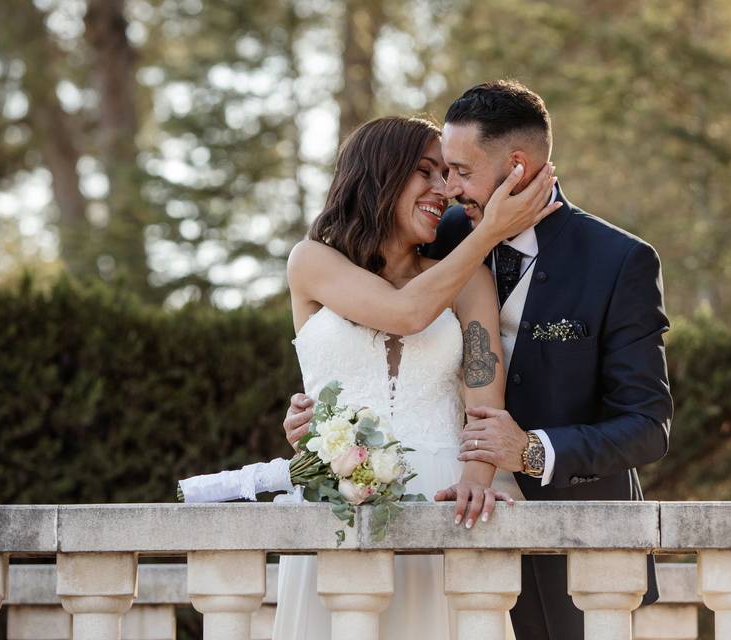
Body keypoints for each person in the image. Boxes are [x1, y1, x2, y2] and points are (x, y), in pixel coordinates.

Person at [284, 81, 673, 640]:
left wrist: (531, 452)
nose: (447, 187)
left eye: (459, 171)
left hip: (570, 534)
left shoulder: (618, 261)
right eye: (438, 171)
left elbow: (648, 424)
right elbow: (380, 326)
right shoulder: (442, 233)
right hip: (415, 509)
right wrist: (317, 425)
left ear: (516, 166)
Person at [272, 115, 560, 640]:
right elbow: (406, 313)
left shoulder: (470, 281)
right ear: (380, 173)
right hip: (339, 500)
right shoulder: (311, 262)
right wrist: (489, 231)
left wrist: (475, 483)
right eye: (426, 172)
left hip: (444, 500)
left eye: (448, 174)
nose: (444, 190)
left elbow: (483, 395)